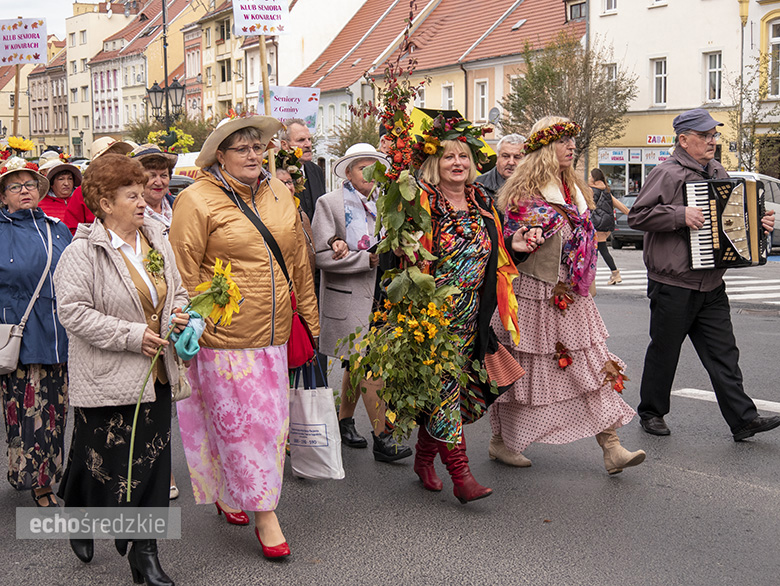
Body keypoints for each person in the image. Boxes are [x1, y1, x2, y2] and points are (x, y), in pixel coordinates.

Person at [169, 114, 319, 559]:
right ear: (221, 156)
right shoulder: (197, 200)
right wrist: (196, 323)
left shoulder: (279, 191)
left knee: (269, 426)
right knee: (244, 426)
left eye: (259, 148)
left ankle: (227, 488)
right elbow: (183, 270)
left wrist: (309, 321)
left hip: (275, 331)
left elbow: (297, 264)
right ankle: (265, 514)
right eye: (243, 149)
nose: (254, 155)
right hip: (223, 334)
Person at [53, 153, 190, 584]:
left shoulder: (157, 239)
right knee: (102, 463)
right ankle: (79, 511)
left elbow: (178, 292)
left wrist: (181, 317)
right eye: (131, 194)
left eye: (142, 192)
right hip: (106, 378)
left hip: (157, 375)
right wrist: (132, 335)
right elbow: (73, 312)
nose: (142, 201)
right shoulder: (81, 253)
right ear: (105, 203)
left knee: (151, 465)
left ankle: (143, 555)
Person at [490, 116, 645, 475]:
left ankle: (612, 446)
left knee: (591, 364)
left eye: (572, 141)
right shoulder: (523, 193)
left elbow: (584, 240)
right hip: (533, 291)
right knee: (523, 370)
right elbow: (512, 237)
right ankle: (501, 441)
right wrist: (528, 236)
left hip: (572, 292)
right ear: (545, 149)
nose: (571, 146)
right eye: (563, 141)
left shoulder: (574, 190)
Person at [627, 108, 779, 441]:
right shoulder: (666, 173)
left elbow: (732, 219)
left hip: (710, 280)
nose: (712, 141)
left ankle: (743, 419)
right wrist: (679, 214)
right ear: (683, 140)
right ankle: (651, 412)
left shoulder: (717, 170)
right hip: (674, 281)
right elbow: (638, 216)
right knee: (665, 350)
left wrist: (759, 225)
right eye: (705, 136)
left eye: (714, 136)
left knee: (724, 352)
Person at [411, 115, 522, 503]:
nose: (457, 163)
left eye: (463, 156)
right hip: (432, 318)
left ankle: (424, 458)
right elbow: (403, 257)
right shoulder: (421, 202)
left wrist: (518, 245)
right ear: (434, 164)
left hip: (474, 315)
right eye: (447, 157)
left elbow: (499, 253)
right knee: (443, 391)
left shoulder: (482, 201)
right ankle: (461, 475)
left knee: (456, 391)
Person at [312, 143, 412, 462]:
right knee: (369, 362)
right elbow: (322, 256)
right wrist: (364, 260)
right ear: (349, 172)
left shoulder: (386, 204)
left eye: (374, 167)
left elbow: (391, 243)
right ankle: (384, 436)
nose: (368, 173)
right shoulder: (330, 203)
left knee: (357, 361)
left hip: (381, 294)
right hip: (350, 297)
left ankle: (344, 421)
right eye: (361, 167)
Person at [0, 157, 71, 507]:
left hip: (58, 333)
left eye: (29, 185)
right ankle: (33, 479)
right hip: (20, 335)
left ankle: (44, 475)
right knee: (26, 412)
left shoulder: (57, 228)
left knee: (55, 411)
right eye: (15, 186)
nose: (24, 190)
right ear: (4, 196)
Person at [63, 137, 133, 235]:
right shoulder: (82, 192)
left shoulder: (132, 188)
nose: (115, 164)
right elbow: (71, 229)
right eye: (108, 160)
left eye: (118, 159)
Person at [279, 118, 326, 221]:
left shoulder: (316, 171)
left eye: (309, 139)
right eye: (301, 140)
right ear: (284, 145)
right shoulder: (276, 175)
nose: (308, 144)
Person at [589, 168, 630, 285]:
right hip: (607, 225)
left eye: (590, 176)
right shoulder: (606, 191)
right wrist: (631, 215)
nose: (588, 178)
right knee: (600, 249)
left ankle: (592, 277)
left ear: (594, 178)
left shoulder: (590, 190)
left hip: (596, 225)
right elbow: (620, 205)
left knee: (595, 251)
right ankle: (614, 274)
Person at [130, 144, 178, 232]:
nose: (159, 183)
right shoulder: (129, 214)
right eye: (152, 176)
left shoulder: (179, 207)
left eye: (163, 176)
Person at [475, 133, 526, 204]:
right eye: (505, 156)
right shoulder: (477, 186)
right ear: (497, 159)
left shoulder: (536, 187)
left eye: (517, 157)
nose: (511, 162)